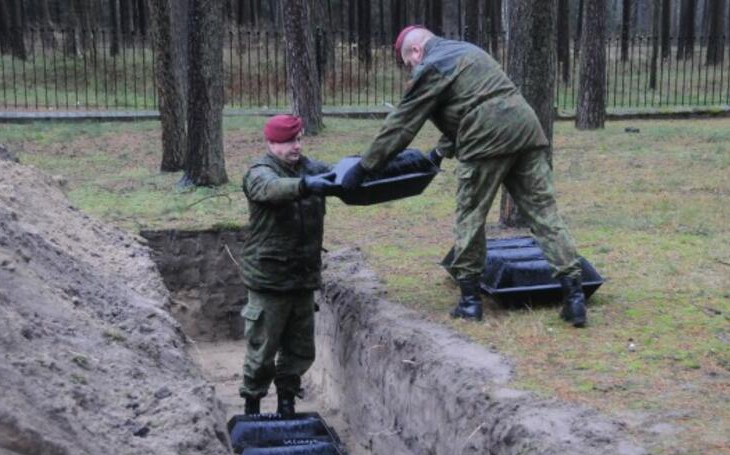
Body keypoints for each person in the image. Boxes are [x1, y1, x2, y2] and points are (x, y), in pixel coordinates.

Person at [340, 26, 588, 327]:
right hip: (525, 128)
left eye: (409, 63)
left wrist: (366, 166)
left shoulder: (431, 65)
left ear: (416, 52)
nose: (411, 69)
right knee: (545, 215)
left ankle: (470, 302)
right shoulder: (467, 51)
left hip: (486, 138)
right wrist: (438, 153)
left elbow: (403, 124)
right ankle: (574, 297)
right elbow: (470, 103)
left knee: (470, 217)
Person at [238, 114, 338, 416]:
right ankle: (252, 406)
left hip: (302, 278)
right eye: (287, 141)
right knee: (263, 349)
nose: (296, 146)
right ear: (271, 144)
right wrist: (307, 185)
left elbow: (345, 174)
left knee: (299, 349)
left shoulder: (312, 168)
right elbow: (271, 189)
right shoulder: (259, 172)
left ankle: (287, 402)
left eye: (298, 139)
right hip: (269, 279)